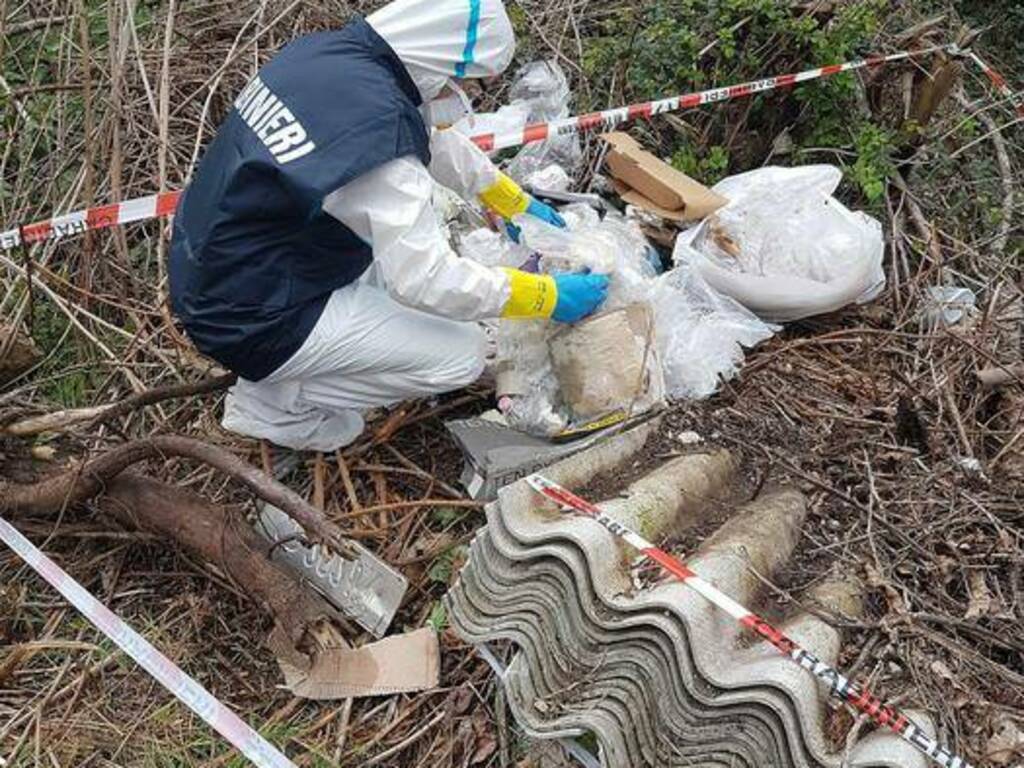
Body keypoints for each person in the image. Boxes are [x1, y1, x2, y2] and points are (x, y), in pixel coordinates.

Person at [169, 0, 609, 452]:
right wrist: (544, 296)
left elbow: (420, 133)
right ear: (444, 62)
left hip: (217, 266)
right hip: (254, 316)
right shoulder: (384, 129)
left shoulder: (331, 58)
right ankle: (277, 406)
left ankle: (289, 369)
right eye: (474, 87)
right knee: (463, 354)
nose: (470, 101)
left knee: (394, 263)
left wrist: (508, 198)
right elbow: (427, 278)